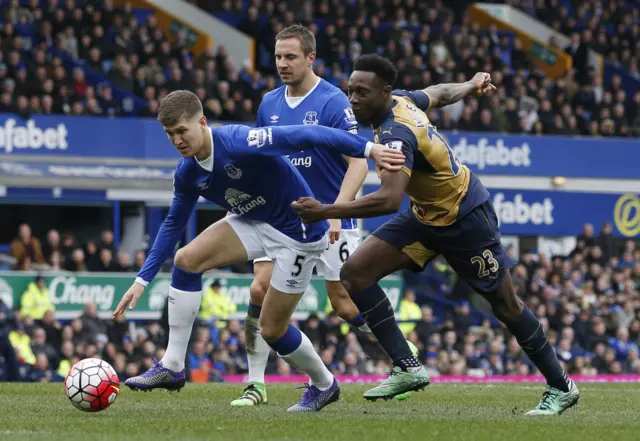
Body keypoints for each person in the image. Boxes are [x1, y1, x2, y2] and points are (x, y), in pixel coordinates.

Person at [292, 54, 580, 416]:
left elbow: (388, 199)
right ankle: (407, 366)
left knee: (507, 307)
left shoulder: (397, 133)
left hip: (466, 220)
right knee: (356, 274)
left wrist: (326, 210)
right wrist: (472, 85)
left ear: (384, 92)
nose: (353, 100)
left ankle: (561, 386)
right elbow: (440, 93)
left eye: (361, 93)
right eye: (350, 91)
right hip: (426, 218)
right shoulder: (403, 101)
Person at [112, 89, 403, 413]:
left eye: (182, 131)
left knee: (272, 329)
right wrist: (141, 280)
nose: (177, 140)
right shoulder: (188, 172)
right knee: (186, 260)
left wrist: (369, 148)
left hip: (299, 232)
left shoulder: (239, 141)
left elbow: (310, 134)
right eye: (170, 134)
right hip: (254, 220)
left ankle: (324, 384)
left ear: (202, 123)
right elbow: (172, 224)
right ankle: (173, 365)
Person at [231, 24, 402, 407]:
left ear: (311, 57)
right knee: (259, 287)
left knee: (342, 303)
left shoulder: (332, 101)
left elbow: (358, 161)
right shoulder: (268, 104)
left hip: (329, 217)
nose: (282, 64)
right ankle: (255, 384)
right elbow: (262, 158)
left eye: (291, 56)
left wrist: (339, 211)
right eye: (278, 57)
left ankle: (403, 357)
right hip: (280, 217)